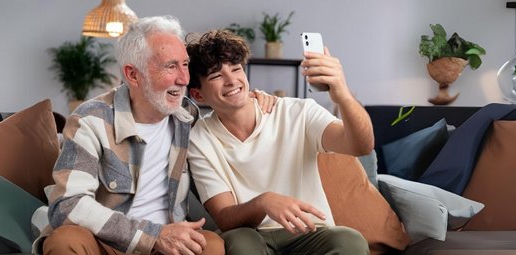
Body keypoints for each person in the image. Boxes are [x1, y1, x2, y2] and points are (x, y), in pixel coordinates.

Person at [43, 16, 275, 255]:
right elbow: (67, 206)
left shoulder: (187, 116)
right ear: (133, 75)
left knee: (212, 245)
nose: (184, 78)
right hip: (107, 242)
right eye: (170, 66)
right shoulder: (91, 120)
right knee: (65, 240)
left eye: (185, 64)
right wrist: (153, 235)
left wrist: (253, 99)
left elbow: (227, 106)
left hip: (171, 243)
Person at [185, 30, 372, 254]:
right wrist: (264, 202)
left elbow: (360, 146)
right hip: (249, 234)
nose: (232, 80)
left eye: (236, 69)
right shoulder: (199, 138)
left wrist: (342, 94)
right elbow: (225, 217)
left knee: (349, 240)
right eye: (216, 76)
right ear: (198, 95)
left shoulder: (298, 112)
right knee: (241, 241)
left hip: (308, 232)